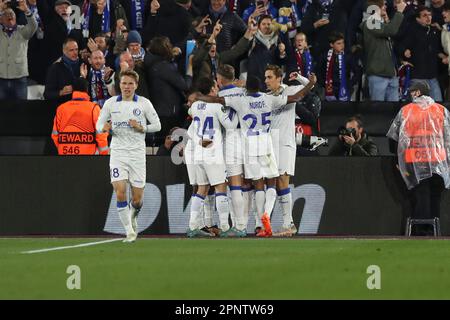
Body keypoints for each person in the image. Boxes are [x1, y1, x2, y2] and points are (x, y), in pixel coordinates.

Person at [193, 73, 317, 237]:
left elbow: (217, 100)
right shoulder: (268, 99)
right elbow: (295, 97)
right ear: (259, 87)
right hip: (265, 143)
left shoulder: (241, 101)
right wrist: (310, 84)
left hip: (249, 146)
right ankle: (264, 219)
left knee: (257, 185)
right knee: (271, 183)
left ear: (247, 88)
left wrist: (200, 97)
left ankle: (245, 224)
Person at [96, 70, 161, 243]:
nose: (127, 87)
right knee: (120, 191)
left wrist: (142, 127)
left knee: (137, 199)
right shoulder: (111, 104)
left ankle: (133, 216)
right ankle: (129, 231)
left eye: (130, 84)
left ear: (136, 86)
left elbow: (158, 125)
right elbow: (98, 124)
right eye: (124, 83)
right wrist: (104, 128)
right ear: (119, 84)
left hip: (137, 154)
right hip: (118, 152)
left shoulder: (144, 103)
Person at [387, 80, 450, 233]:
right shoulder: (441, 110)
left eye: (412, 91)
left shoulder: (406, 111)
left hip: (414, 163)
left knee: (419, 197)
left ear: (417, 92)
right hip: (438, 163)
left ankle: (420, 233)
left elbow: (393, 138)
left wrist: (397, 159)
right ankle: (434, 232)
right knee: (434, 198)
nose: (410, 94)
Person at [264, 64, 311, 236]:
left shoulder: (290, 91)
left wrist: (299, 76)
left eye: (269, 77)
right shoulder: (267, 96)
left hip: (285, 143)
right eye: (265, 77)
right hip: (270, 143)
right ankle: (276, 221)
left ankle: (288, 223)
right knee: (273, 182)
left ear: (279, 78)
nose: (266, 81)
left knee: (283, 180)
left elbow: (310, 86)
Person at [187, 77, 236, 237]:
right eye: (215, 87)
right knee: (221, 188)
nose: (217, 89)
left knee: (202, 189)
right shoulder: (216, 107)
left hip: (199, 152)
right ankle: (225, 227)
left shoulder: (194, 107)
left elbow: (191, 125)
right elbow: (230, 126)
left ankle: (193, 225)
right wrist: (232, 109)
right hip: (213, 152)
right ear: (212, 89)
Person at [216, 64, 248, 236]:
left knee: (235, 185)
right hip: (250, 138)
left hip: (231, 139)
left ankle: (239, 226)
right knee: (253, 185)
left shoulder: (218, 96)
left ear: (219, 79)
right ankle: (253, 224)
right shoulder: (245, 92)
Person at [362, 0, 405, 102]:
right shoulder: (369, 23)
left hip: (391, 74)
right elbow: (390, 30)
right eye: (382, 5)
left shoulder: (381, 24)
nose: (385, 7)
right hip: (378, 74)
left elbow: (392, 34)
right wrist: (399, 12)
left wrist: (387, 22)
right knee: (378, 112)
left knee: (392, 112)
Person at [51, 78, 109, 155]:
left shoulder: (61, 108)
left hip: (64, 155)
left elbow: (55, 135)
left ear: (73, 90)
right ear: (87, 90)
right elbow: (101, 134)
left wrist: (62, 148)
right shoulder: (94, 108)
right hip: (88, 157)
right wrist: (104, 154)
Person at [399, 5, 444, 101]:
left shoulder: (434, 31)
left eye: (430, 15)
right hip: (417, 77)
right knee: (418, 107)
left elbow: (438, 50)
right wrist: (404, 52)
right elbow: (399, 45)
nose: (429, 18)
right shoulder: (411, 31)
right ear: (417, 19)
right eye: (424, 15)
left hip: (432, 76)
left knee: (438, 105)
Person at [0, 0, 37, 99]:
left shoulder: (22, 31)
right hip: (1, 79)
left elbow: (34, 26)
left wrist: (27, 11)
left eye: (11, 13)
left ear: (15, 18)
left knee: (21, 109)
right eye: (6, 14)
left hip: (19, 79)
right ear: (1, 20)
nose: (9, 15)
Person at [44, 38, 81, 103]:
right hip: (62, 106)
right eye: (71, 50)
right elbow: (47, 94)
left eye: (76, 49)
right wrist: (61, 92)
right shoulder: (55, 68)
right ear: (64, 51)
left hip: (80, 105)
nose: (75, 53)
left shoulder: (83, 65)